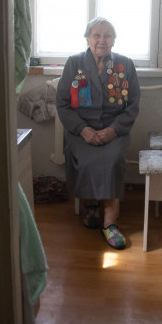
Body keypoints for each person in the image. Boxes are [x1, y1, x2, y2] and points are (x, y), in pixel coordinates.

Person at [56, 17, 141, 249]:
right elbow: (62, 104)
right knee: (85, 159)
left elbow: (133, 106)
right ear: (87, 38)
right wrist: (83, 130)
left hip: (115, 130)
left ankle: (109, 223)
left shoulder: (125, 65)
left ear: (114, 40)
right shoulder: (74, 63)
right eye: (97, 35)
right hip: (81, 130)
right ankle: (90, 206)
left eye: (107, 35)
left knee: (112, 159)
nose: (102, 40)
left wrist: (113, 130)